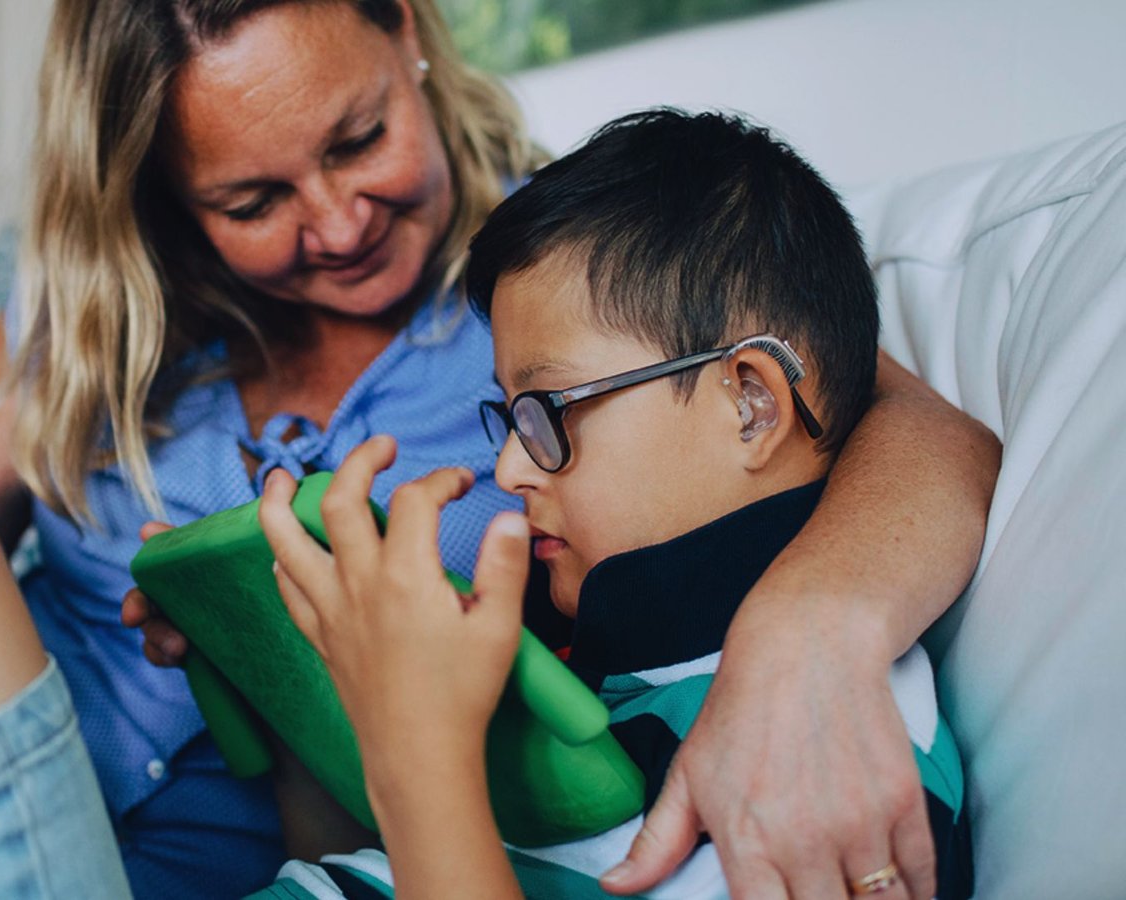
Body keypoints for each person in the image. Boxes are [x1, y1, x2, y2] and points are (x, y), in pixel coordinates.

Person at [0, 0, 997, 897]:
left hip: (187, 864)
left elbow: (870, 404)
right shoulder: (99, 309)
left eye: (357, 140)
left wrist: (813, 627)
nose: (337, 223)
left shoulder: (568, 278)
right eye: (251, 197)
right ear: (160, 190)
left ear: (408, 34)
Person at [250, 109, 973, 899]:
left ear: (752, 406)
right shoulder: (615, 659)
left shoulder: (816, 747)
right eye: (511, 416)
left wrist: (418, 748)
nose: (509, 469)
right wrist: (295, 675)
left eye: (549, 412)